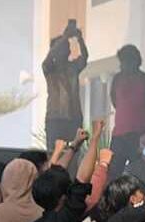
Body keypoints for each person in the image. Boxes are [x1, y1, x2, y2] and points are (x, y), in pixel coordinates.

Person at [109, 45, 145, 179]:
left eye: (125, 61)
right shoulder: (117, 79)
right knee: (114, 171)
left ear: (134, 61)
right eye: (122, 62)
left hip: (140, 134)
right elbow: (115, 101)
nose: (123, 65)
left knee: (139, 171)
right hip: (119, 133)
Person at [44, 20, 89, 148]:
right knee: (53, 155)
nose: (67, 49)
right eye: (64, 46)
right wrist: (65, 37)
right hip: (55, 118)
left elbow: (84, 57)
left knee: (74, 155)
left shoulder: (73, 67)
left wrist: (79, 38)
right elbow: (48, 58)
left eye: (67, 46)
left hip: (73, 118)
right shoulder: (50, 69)